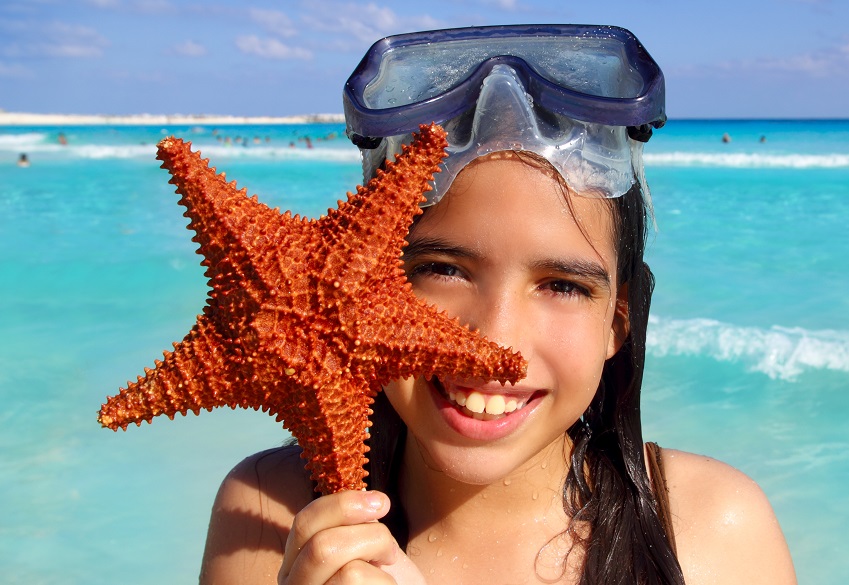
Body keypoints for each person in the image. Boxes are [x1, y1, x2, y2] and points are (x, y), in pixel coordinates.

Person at [199, 25, 796, 585]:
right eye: (443, 270)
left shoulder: (712, 533)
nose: (495, 342)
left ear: (620, 319)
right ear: (371, 287)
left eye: (563, 284)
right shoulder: (270, 514)